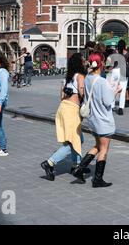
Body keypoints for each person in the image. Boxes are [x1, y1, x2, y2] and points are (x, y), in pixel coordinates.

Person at [72, 52, 122, 187]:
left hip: (93, 119)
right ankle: (97, 179)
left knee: (98, 146)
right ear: (101, 64)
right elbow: (108, 101)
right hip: (103, 120)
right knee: (104, 149)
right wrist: (116, 91)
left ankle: (79, 168)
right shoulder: (101, 81)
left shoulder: (88, 77)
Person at [41, 53, 86, 181]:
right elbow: (83, 94)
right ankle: (49, 163)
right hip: (71, 110)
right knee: (73, 141)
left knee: (76, 139)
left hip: (63, 108)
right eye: (83, 61)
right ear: (79, 63)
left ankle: (76, 165)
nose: (85, 63)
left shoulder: (67, 77)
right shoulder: (80, 76)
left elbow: (61, 96)